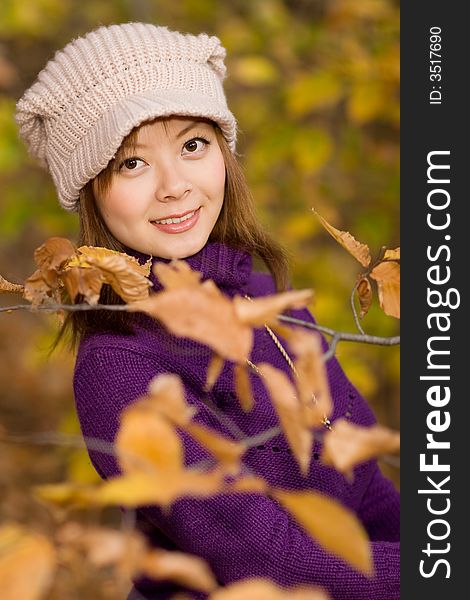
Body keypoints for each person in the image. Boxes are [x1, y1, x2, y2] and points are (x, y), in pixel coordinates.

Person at [15, 23, 399, 600]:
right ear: (91, 190)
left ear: (224, 154)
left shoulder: (266, 298)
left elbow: (369, 490)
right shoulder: (119, 368)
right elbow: (262, 553)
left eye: (192, 145)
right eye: (131, 163)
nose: (174, 186)